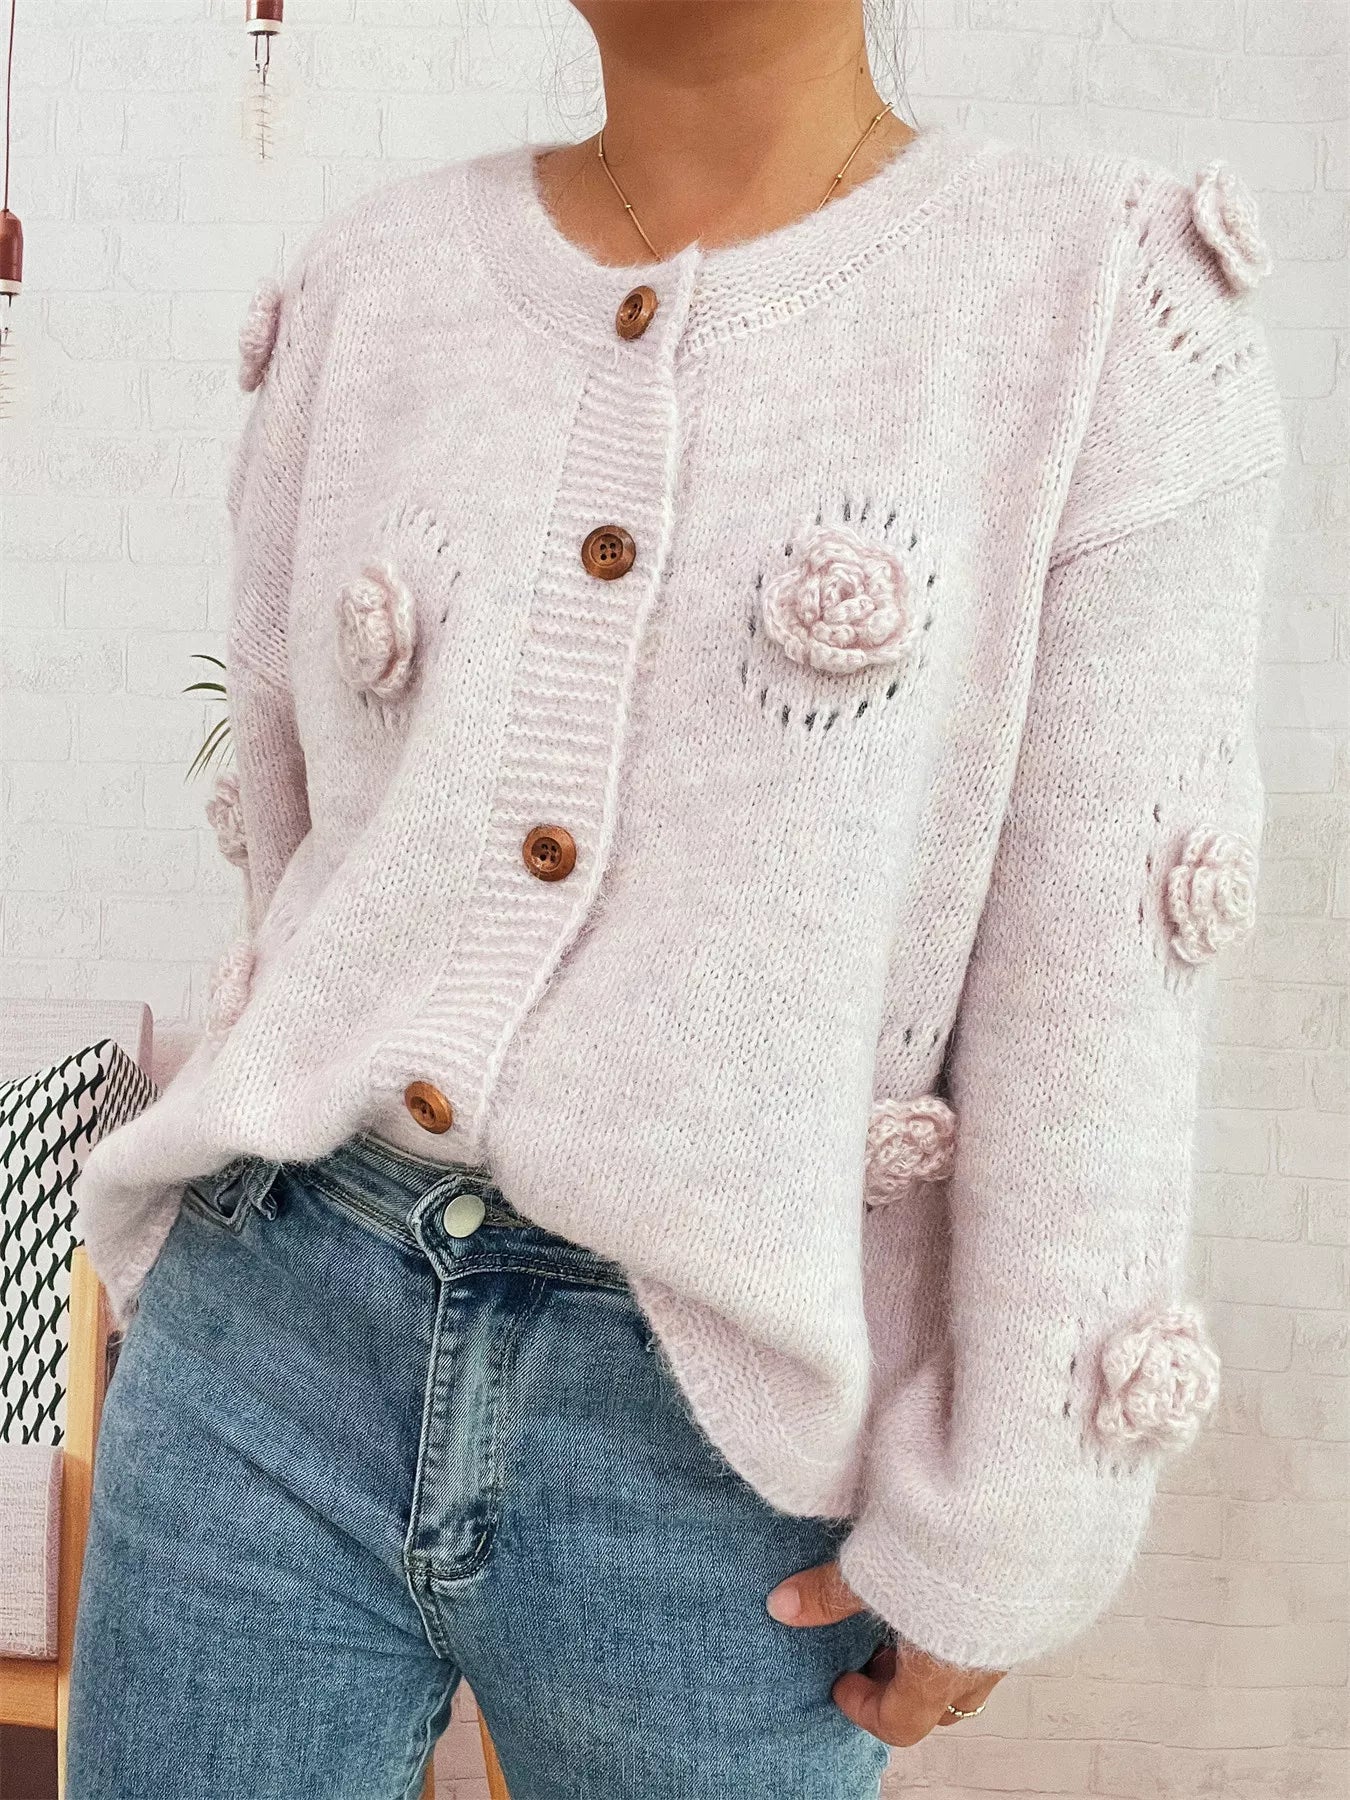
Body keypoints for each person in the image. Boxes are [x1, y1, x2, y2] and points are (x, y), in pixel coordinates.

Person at [65, 2, 1285, 1796]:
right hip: (270, 1338)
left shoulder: (1101, 302)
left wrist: (1016, 1509)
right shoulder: (370, 285)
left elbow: (1103, 974)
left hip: (729, 1452)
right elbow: (293, 827)